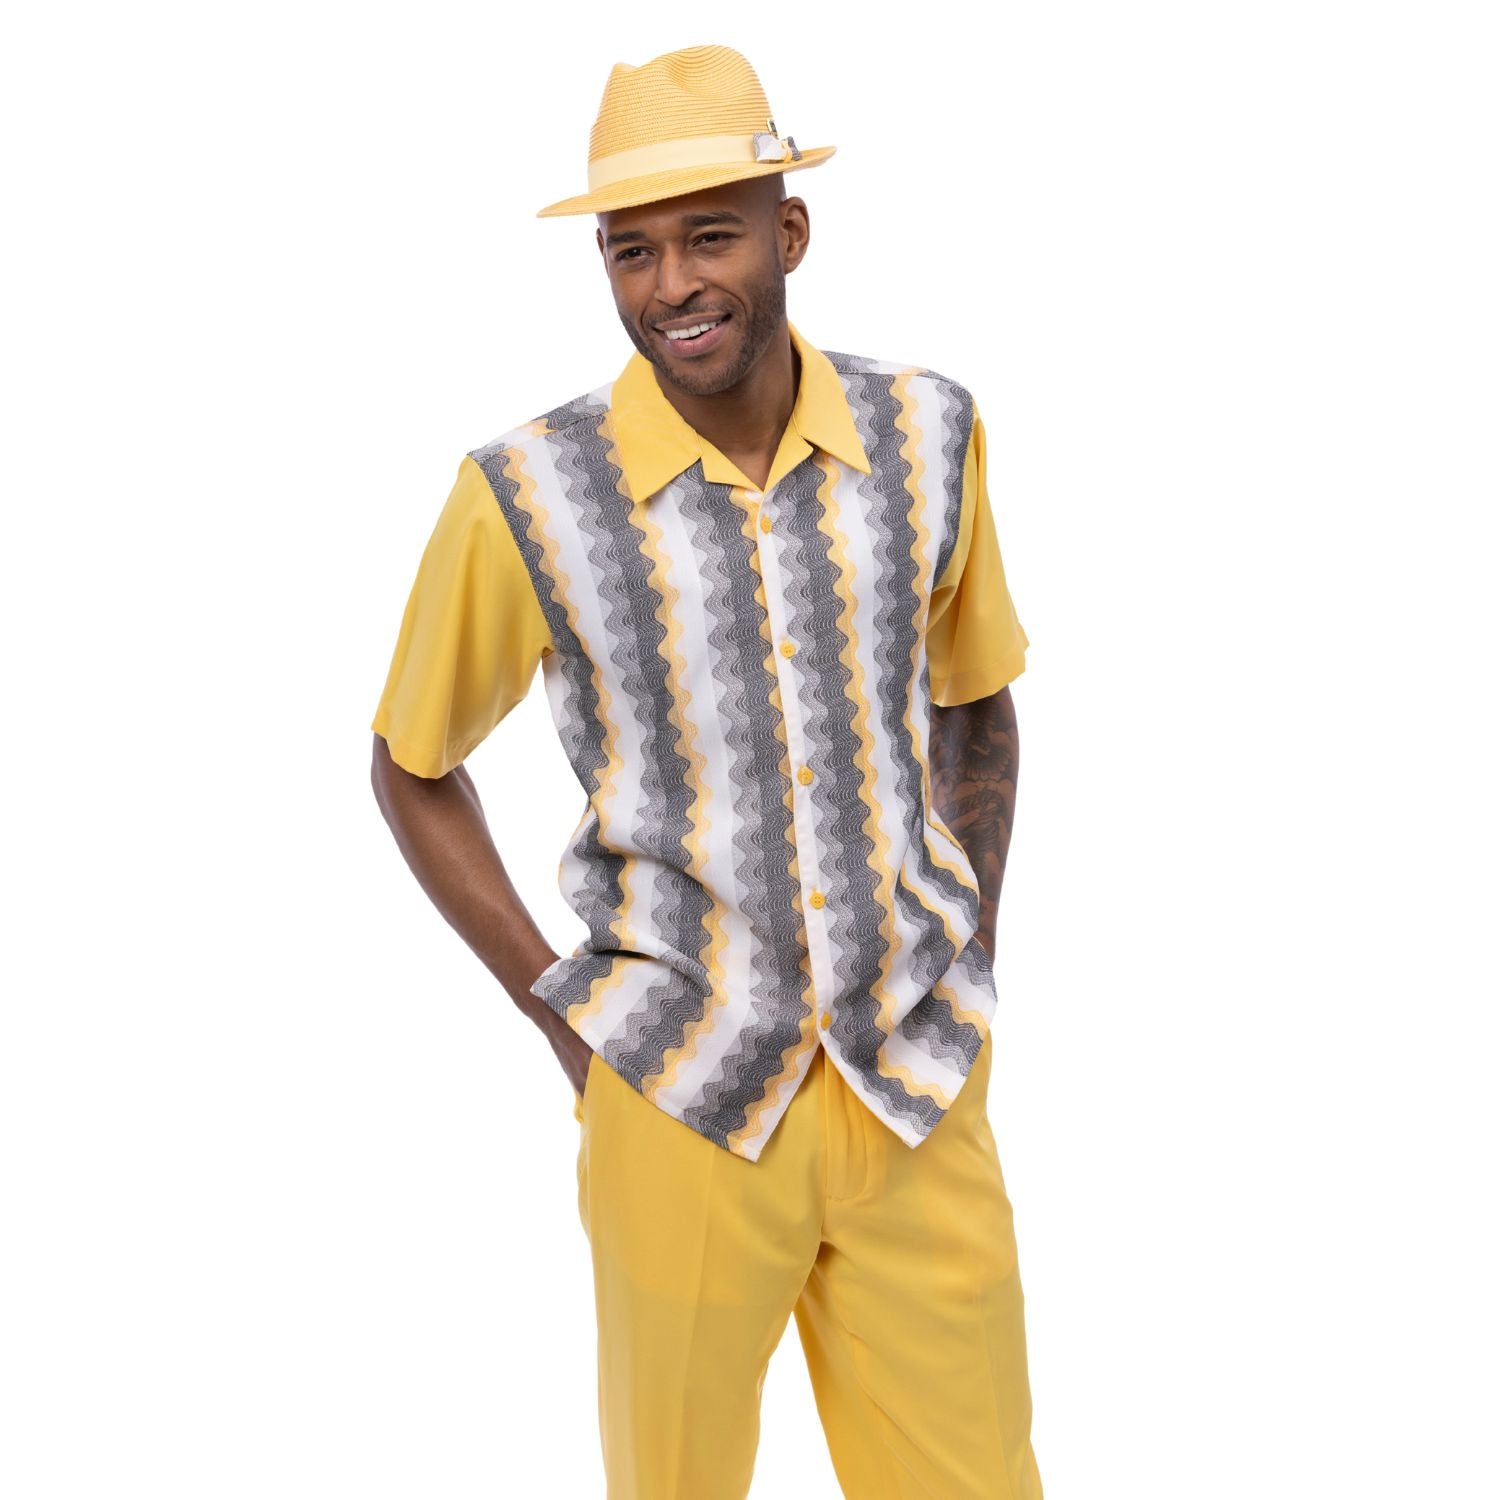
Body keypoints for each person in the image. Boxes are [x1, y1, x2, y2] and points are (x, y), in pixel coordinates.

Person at [369, 42, 1045, 1500]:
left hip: (912, 1083)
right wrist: (565, 1019)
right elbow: (412, 766)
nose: (672, 283)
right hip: (677, 1094)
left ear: (788, 233)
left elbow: (977, 700)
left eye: (710, 236)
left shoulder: (931, 433)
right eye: (634, 250)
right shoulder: (526, 494)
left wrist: (968, 947)